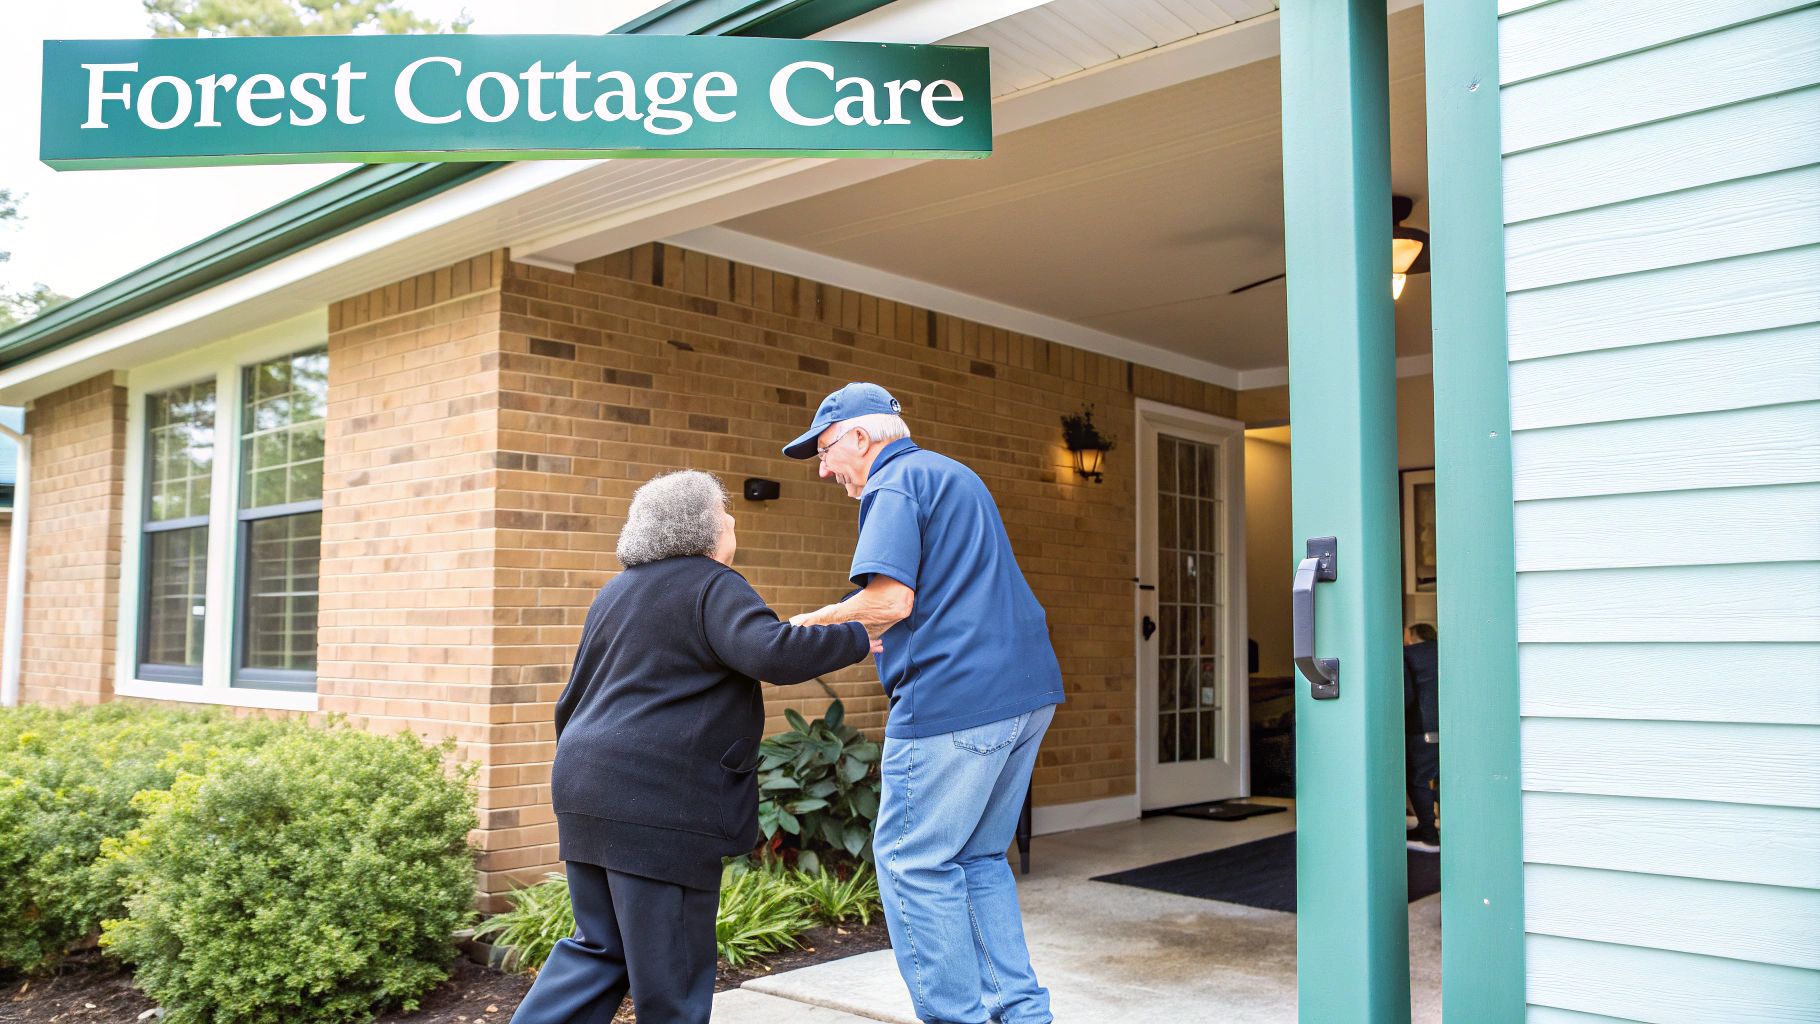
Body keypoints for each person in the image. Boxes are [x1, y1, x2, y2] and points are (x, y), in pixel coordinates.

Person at [510, 470, 878, 1024]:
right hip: (660, 804)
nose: (732, 520)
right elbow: (770, 653)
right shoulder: (710, 582)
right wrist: (856, 635)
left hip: (587, 789)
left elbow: (573, 698)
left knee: (600, 949)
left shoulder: (615, 593)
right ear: (702, 526)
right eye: (724, 511)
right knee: (673, 980)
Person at [783, 383, 1066, 1024]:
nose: (825, 468)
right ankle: (1021, 1015)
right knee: (977, 858)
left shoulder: (893, 482)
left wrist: (807, 625)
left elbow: (889, 602)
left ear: (862, 436)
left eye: (826, 450)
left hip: (955, 704)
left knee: (914, 861)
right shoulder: (952, 474)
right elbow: (947, 592)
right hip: (1024, 694)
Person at [1403, 622, 1441, 852]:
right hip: (1452, 726)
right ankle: (1453, 829)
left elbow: (1406, 695)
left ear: (1412, 636)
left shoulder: (1408, 656)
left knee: (1418, 778)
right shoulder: (1447, 650)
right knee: (1445, 778)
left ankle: (1428, 833)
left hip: (1422, 726)